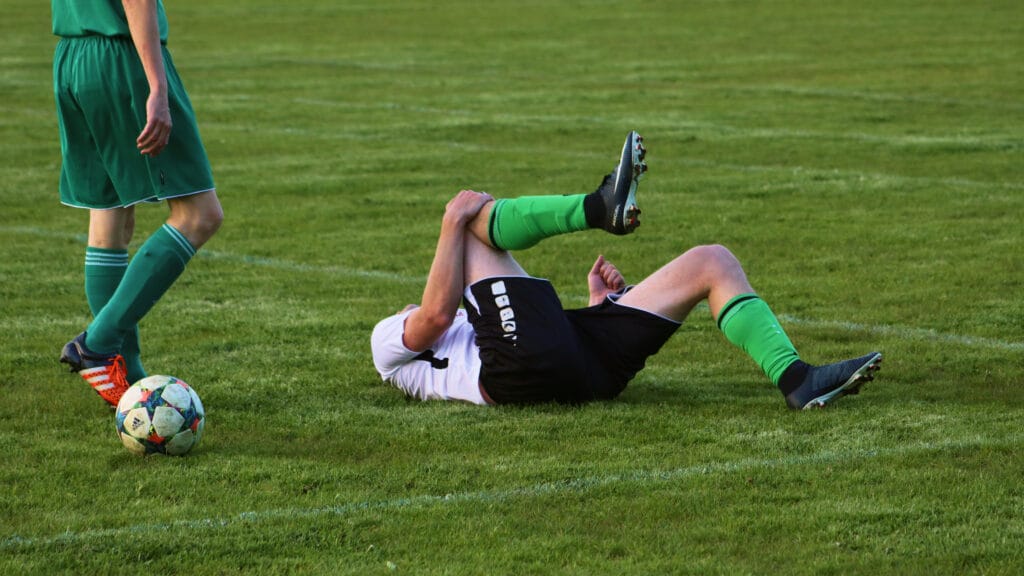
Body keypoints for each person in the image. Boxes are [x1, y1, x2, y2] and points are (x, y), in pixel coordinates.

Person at [371, 131, 882, 409]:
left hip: (585, 370)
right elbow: (436, 315)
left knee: (712, 261)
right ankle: (599, 208)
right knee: (471, 225)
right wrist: (448, 220)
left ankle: (797, 380)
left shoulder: (476, 326)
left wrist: (598, 309)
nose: (405, 307)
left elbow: (530, 337)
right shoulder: (385, 343)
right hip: (514, 374)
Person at [52, 0, 224, 405]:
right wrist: (157, 87)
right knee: (200, 215)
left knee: (109, 217)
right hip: (122, 59)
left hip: (73, 58)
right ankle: (97, 345)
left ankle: (125, 380)